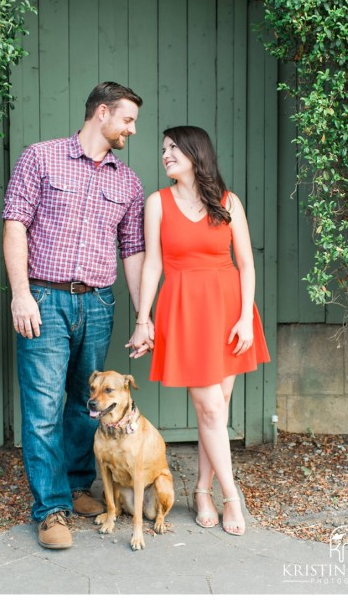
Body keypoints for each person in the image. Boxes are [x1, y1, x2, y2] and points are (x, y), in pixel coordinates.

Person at [2, 81, 152, 550]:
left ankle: (77, 486)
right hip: (44, 298)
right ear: (102, 113)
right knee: (43, 408)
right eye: (128, 119)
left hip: (98, 304)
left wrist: (143, 316)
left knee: (86, 404)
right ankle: (50, 511)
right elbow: (14, 224)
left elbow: (132, 251)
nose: (132, 129)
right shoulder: (40, 158)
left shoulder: (126, 180)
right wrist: (20, 294)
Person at [126, 125, 270, 536]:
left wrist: (245, 316)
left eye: (173, 148)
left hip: (228, 310)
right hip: (185, 310)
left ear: (196, 153)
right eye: (164, 149)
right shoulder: (157, 202)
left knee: (218, 407)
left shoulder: (228, 202)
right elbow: (152, 264)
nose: (166, 154)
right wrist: (143, 318)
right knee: (209, 408)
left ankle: (203, 490)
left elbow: (246, 264)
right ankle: (231, 496)